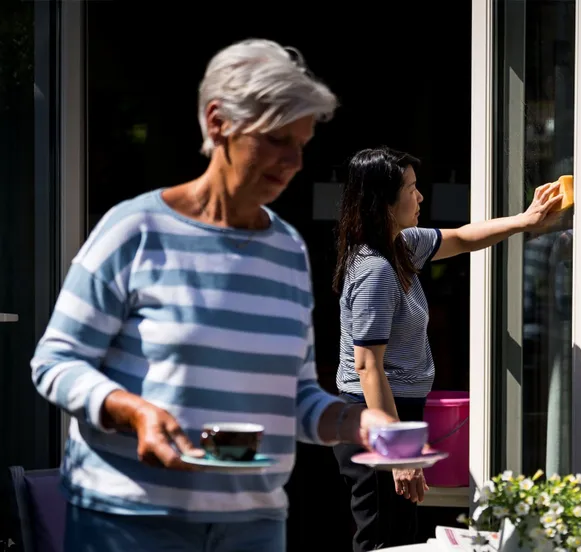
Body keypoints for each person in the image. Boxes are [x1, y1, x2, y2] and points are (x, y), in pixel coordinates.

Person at [30, 39, 396, 552]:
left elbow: (294, 398)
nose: (294, 161)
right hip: (131, 517)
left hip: (253, 522)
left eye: (302, 143)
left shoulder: (287, 249)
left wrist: (358, 421)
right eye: (276, 139)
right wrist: (132, 411)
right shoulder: (135, 229)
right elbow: (55, 362)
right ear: (218, 122)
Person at [331, 146, 564, 551]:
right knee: (381, 540)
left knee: (399, 537)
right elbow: (368, 367)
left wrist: (525, 221)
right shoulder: (376, 270)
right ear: (385, 202)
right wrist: (398, 453)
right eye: (411, 189)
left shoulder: (401, 246)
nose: (420, 196)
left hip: (393, 414)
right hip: (374, 418)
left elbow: (461, 238)